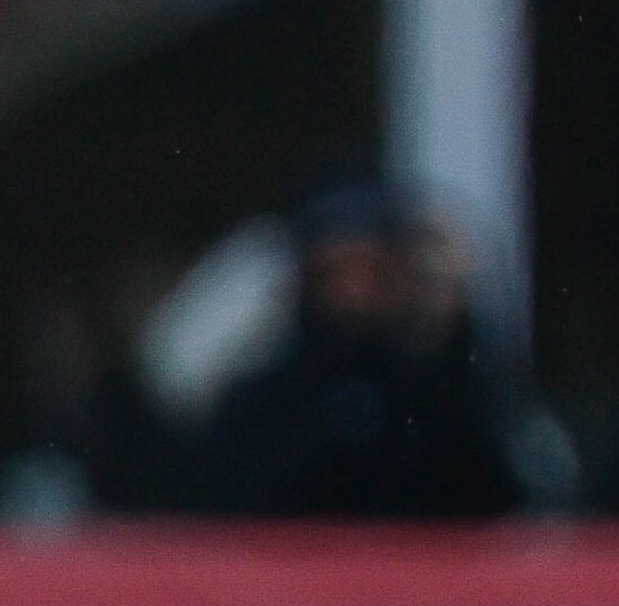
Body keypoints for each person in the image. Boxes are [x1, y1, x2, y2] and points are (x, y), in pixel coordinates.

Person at [190, 186, 537, 519]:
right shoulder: (262, 404)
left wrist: (452, 337)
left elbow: (495, 499)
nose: (356, 289)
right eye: (338, 270)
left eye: (374, 270)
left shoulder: (438, 393)